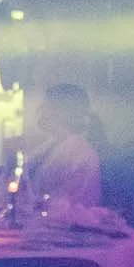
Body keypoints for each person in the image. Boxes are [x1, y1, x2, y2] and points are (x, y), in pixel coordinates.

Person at [26, 82, 106, 210]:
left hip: (68, 226)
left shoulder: (78, 151)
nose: (39, 110)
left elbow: (69, 201)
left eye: (45, 105)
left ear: (62, 110)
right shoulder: (46, 147)